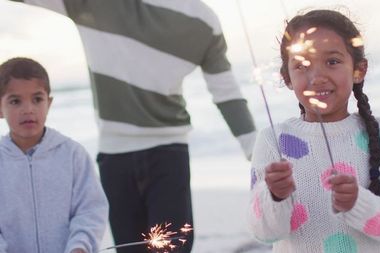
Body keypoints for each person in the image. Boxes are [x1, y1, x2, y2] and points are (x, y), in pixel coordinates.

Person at [6, 0, 257, 252]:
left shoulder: (204, 21)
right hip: (115, 159)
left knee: (171, 249)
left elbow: (225, 91)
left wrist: (258, 156)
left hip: (169, 154)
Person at [247, 9, 380, 252]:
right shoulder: (272, 140)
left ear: (359, 70)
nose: (317, 77)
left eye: (332, 62)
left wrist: (358, 202)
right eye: (302, 65)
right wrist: (275, 196)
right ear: (287, 77)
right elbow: (263, 233)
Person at [0, 57, 109, 253]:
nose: (28, 109)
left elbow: (91, 210)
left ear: (49, 103)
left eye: (37, 99)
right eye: (15, 101)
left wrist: (80, 247)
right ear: (0, 108)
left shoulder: (73, 155)